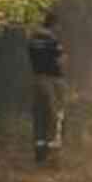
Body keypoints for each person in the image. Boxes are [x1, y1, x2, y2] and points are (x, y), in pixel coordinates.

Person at [27, 12, 67, 164]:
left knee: (39, 115)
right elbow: (61, 60)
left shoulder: (32, 40)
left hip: (37, 79)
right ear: (55, 24)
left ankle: (39, 152)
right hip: (53, 80)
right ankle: (52, 154)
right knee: (55, 115)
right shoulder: (52, 39)